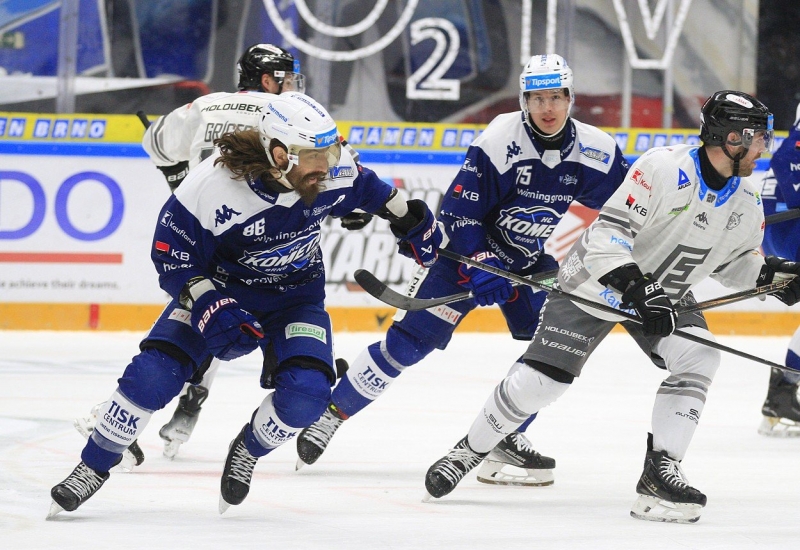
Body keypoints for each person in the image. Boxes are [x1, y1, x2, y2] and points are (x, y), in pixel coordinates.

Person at [47, 91, 443, 518]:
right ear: (279, 154)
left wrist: (414, 221)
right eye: (315, 155)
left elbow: (374, 191)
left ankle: (248, 450)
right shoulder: (211, 188)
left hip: (296, 299)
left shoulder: (333, 168)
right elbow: (171, 255)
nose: (327, 165)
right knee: (152, 376)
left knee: (307, 397)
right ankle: (92, 465)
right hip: (222, 288)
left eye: (330, 150)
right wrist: (208, 301)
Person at [423, 90, 800, 524]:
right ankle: (470, 450)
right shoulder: (661, 168)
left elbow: (735, 264)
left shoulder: (746, 201)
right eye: (757, 140)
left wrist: (772, 278)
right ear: (731, 138)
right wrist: (638, 288)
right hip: (598, 283)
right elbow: (605, 240)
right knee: (542, 384)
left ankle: (661, 471)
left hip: (665, 291)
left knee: (700, 356)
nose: (763, 149)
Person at [295, 54, 630, 486]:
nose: (547, 108)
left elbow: (630, 207)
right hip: (465, 260)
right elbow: (457, 212)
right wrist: (482, 263)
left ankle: (504, 437)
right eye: (537, 98)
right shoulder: (500, 139)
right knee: (406, 347)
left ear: (570, 98)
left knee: (549, 358)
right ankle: (332, 414)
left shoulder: (596, 149)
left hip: (528, 264)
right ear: (525, 101)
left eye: (556, 97)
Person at [75, 43, 371, 464]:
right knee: (214, 326)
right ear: (268, 80)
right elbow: (338, 173)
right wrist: (349, 206)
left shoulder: (208, 107)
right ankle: (140, 410)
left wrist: (181, 182)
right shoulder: (295, 125)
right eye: (286, 78)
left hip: (205, 241)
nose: (291, 86)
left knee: (203, 326)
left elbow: (155, 142)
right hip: (245, 249)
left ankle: (165, 402)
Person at [758, 101, 800, 436]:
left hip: (781, 231)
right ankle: (784, 389)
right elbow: (785, 162)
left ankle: (784, 390)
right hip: (789, 231)